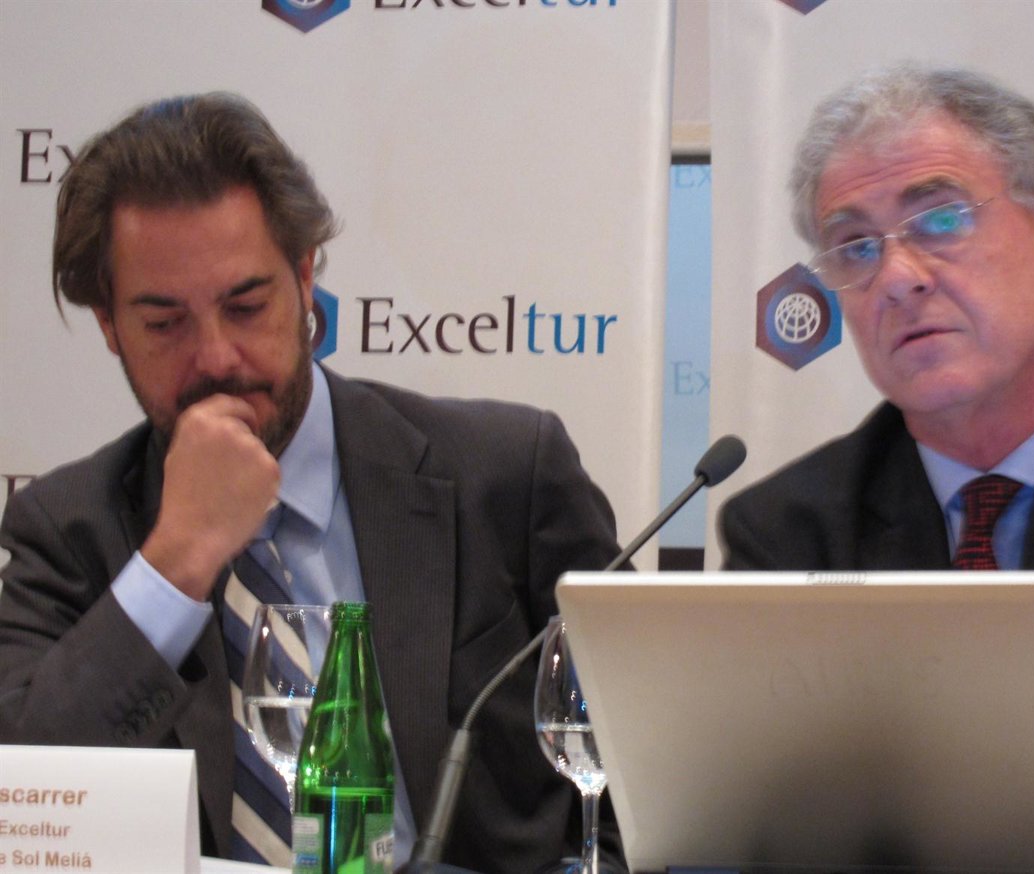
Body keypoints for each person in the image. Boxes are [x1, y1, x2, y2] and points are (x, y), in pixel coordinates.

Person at [0, 92, 626, 872]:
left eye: (246, 305)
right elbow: (25, 805)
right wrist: (176, 562)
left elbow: (654, 771)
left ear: (303, 280)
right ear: (109, 326)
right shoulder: (68, 530)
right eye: (165, 324)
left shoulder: (503, 475)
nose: (216, 357)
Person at [719, 64, 1034, 783]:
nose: (898, 277)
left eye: (940, 220)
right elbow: (768, 810)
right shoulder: (789, 535)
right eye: (856, 247)